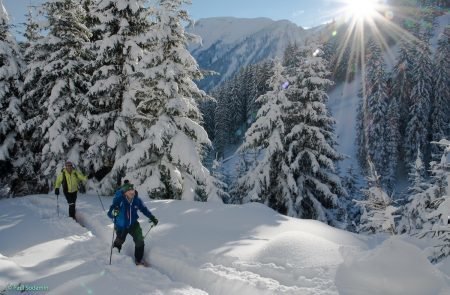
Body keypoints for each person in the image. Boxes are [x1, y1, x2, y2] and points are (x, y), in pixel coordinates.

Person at [107, 182, 158, 266]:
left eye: (132, 190)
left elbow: (144, 209)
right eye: (129, 190)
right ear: (125, 192)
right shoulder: (119, 200)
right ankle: (115, 256)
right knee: (119, 240)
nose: (132, 192)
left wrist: (152, 217)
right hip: (121, 226)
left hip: (133, 224)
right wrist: (114, 212)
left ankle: (138, 260)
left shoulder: (136, 200)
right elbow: (109, 214)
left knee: (139, 240)